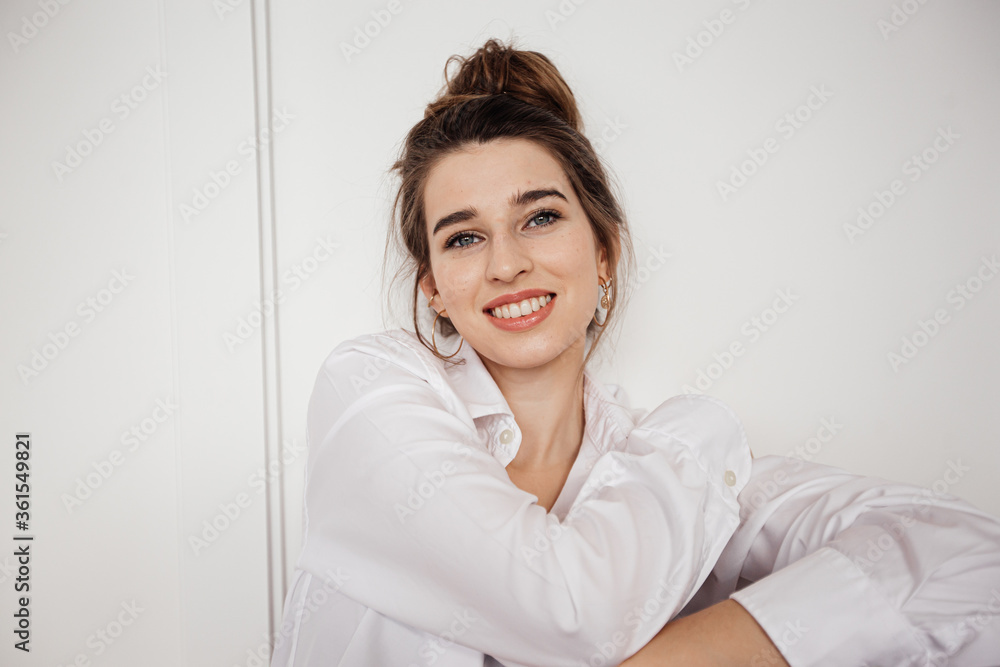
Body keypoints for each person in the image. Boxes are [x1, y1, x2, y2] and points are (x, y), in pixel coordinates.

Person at [270, 38, 1000, 667]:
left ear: (605, 251)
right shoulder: (369, 393)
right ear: (433, 287)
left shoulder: (667, 469)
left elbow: (970, 562)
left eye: (541, 217)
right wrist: (703, 439)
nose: (506, 263)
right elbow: (572, 607)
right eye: (464, 236)